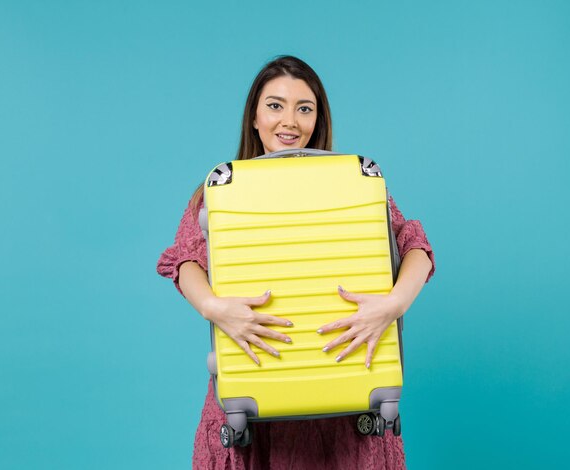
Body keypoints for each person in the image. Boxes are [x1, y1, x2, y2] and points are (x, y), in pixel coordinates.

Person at [157, 55, 435, 470]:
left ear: (317, 119)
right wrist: (215, 308)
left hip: (344, 418)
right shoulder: (218, 192)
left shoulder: (352, 184)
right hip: (254, 417)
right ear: (253, 116)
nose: (289, 120)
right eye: (275, 105)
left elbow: (415, 247)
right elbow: (185, 262)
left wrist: (393, 304)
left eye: (304, 108)